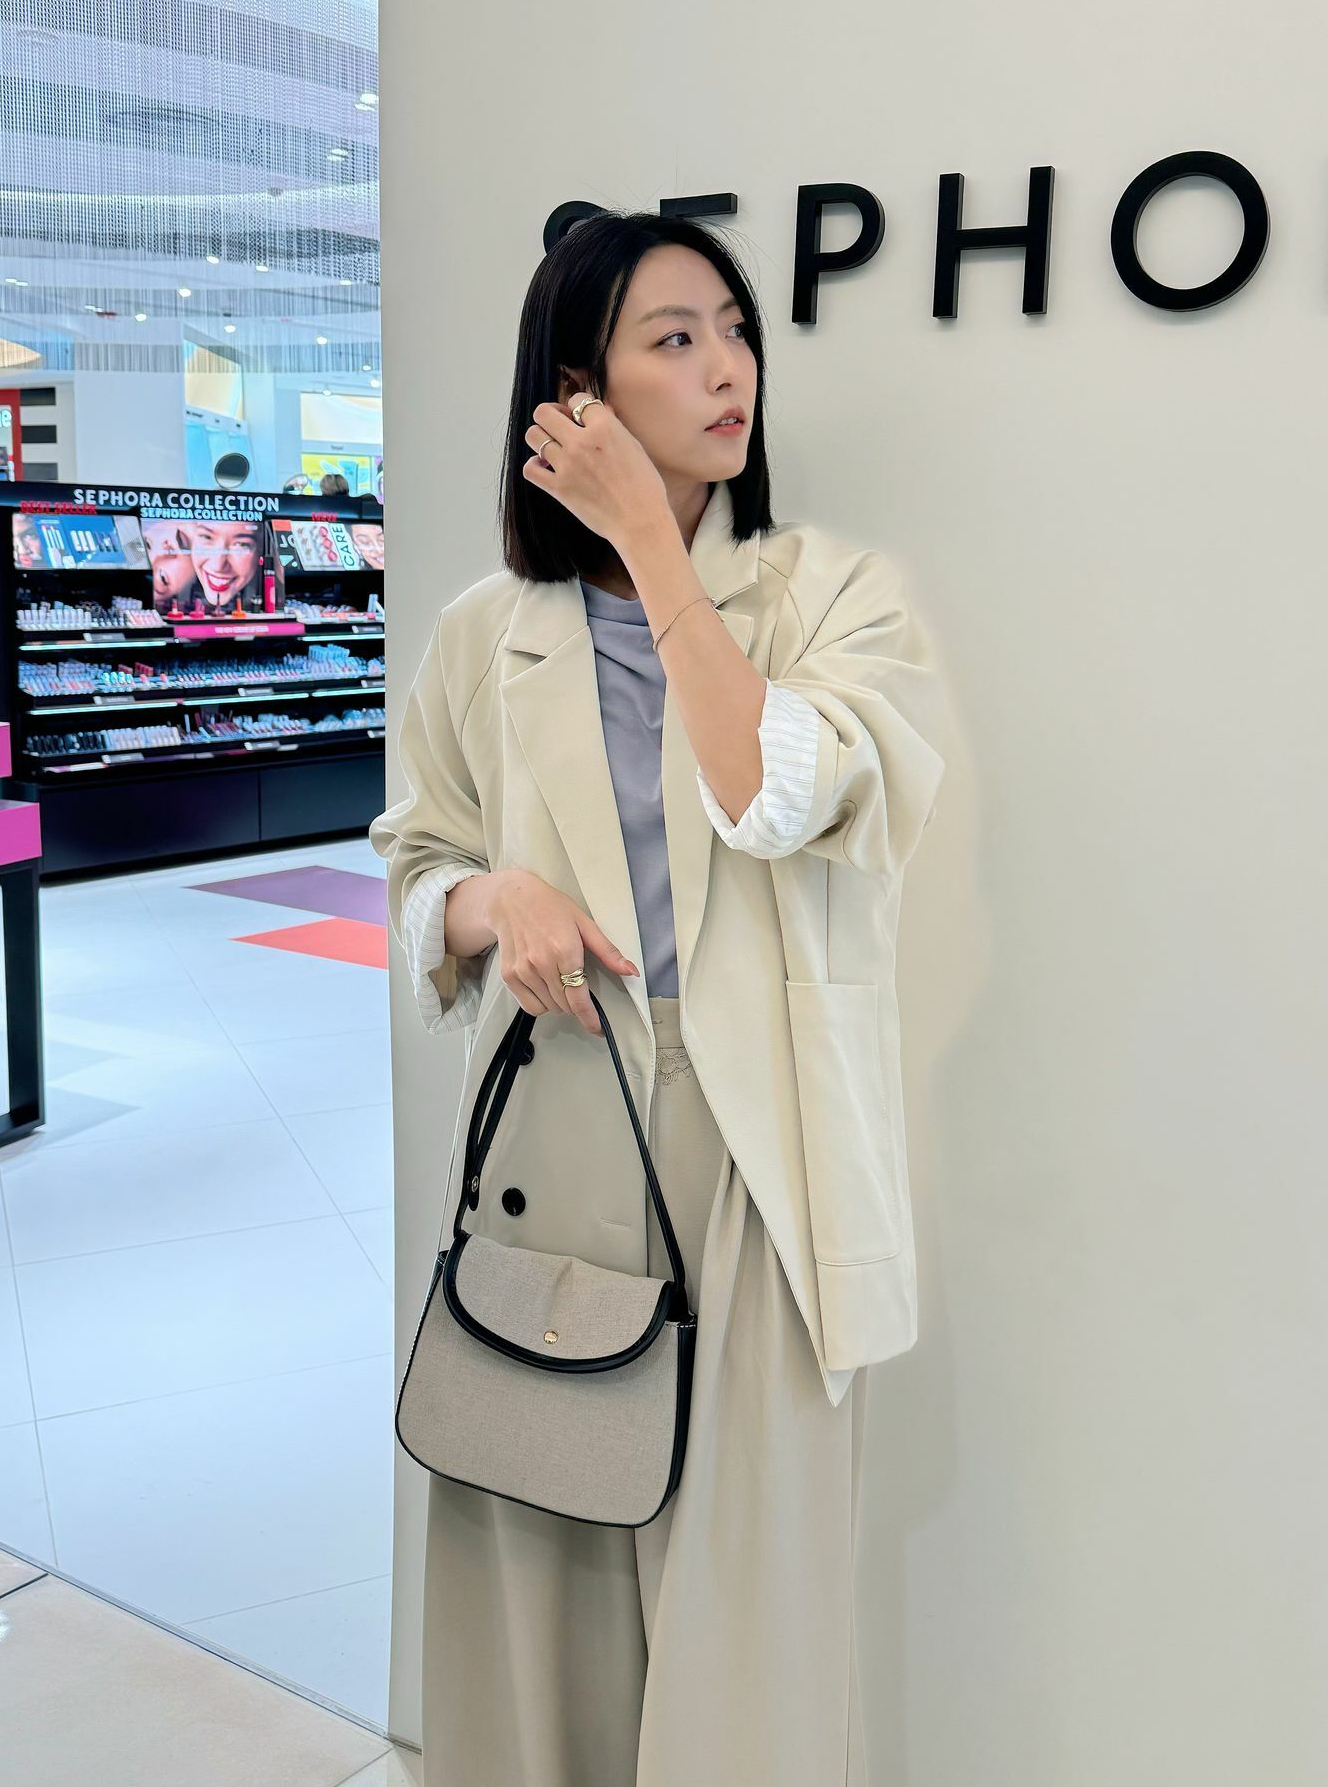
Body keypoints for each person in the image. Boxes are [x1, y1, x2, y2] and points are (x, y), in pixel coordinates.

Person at [370, 211, 947, 1787]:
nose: (726, 369)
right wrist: (492, 901)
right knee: (537, 1587)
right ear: (580, 389)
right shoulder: (483, 636)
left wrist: (650, 544)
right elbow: (417, 860)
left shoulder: (833, 598)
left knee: (749, 1632)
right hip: (558, 1139)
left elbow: (770, 792)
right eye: (675, 338)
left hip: (763, 1166)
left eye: (736, 329)